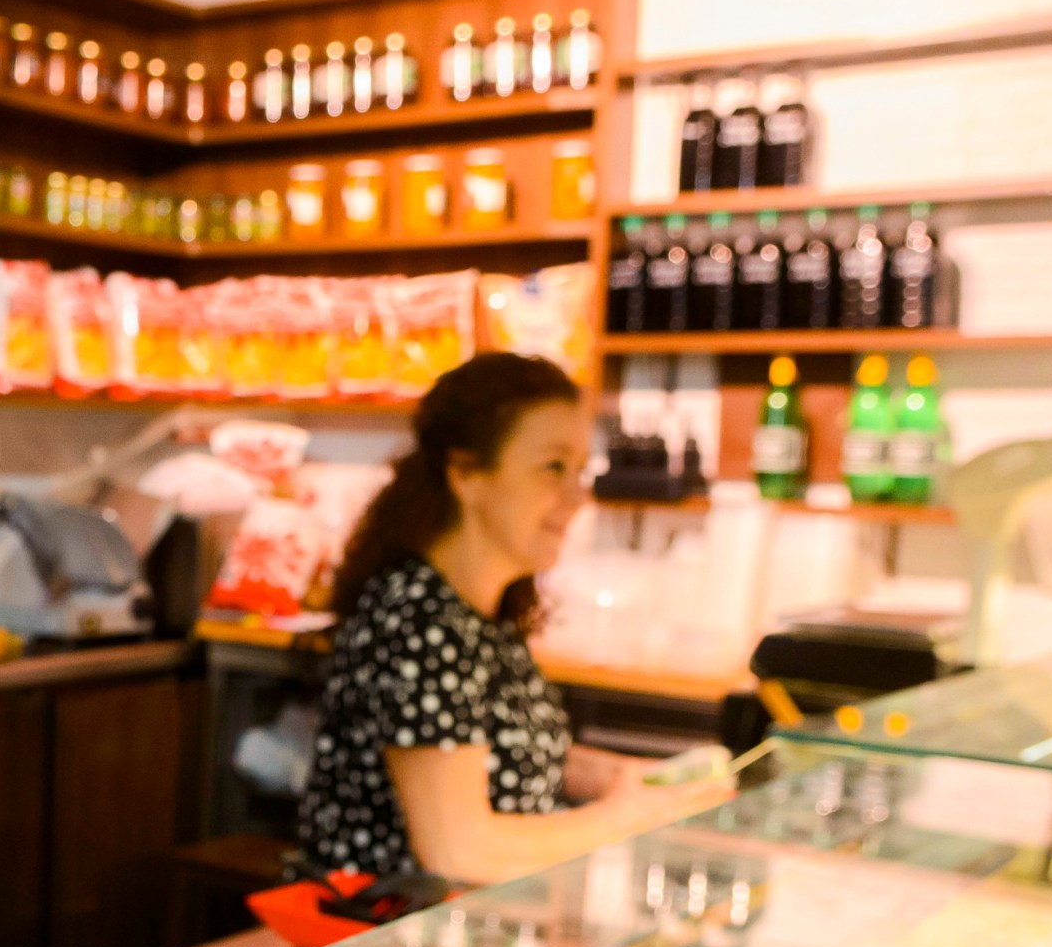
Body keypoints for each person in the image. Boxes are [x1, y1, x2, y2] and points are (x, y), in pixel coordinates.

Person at [296, 353, 729, 885]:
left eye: (579, 472)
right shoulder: (420, 620)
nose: (577, 497)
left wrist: (626, 778)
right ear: (468, 475)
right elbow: (459, 850)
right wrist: (628, 817)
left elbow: (502, 753)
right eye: (552, 468)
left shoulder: (480, 612)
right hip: (385, 945)